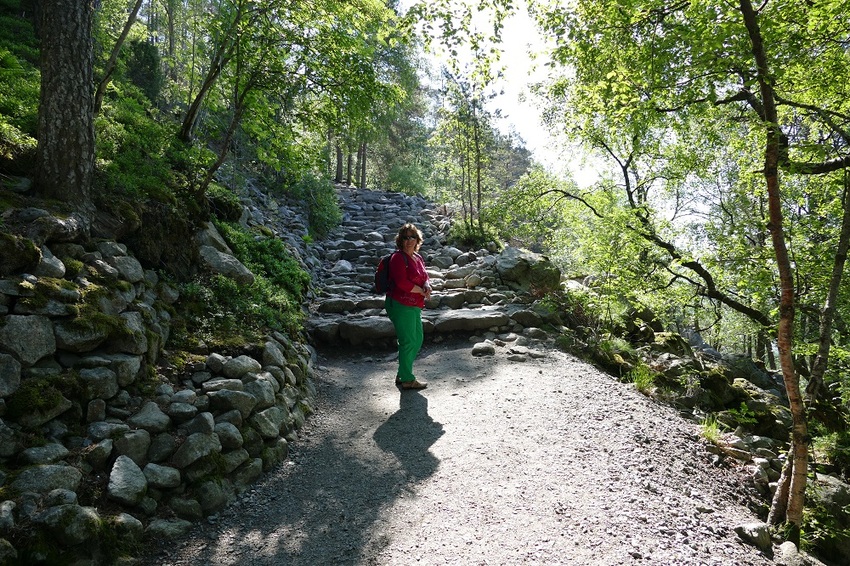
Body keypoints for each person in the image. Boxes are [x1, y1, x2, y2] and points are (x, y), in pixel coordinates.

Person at [385, 223, 431, 390]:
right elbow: (402, 283)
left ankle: (402, 373)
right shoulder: (398, 258)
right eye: (406, 237)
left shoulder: (417, 258)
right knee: (408, 341)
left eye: (413, 237)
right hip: (400, 304)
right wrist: (421, 291)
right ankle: (407, 379)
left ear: (418, 240)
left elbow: (425, 276)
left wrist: (427, 286)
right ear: (400, 240)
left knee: (417, 339)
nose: (410, 240)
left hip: (414, 304)